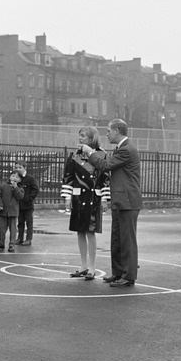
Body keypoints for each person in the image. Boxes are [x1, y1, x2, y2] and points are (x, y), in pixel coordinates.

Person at [81, 118, 142, 288]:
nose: (106, 134)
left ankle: (129, 276)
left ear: (116, 131)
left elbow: (105, 165)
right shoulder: (121, 148)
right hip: (120, 200)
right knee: (117, 239)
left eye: (108, 131)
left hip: (128, 201)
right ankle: (118, 273)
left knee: (127, 240)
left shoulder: (126, 149)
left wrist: (90, 152)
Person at [62, 126, 110, 281]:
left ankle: (92, 267)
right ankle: (83, 266)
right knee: (79, 231)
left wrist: (104, 199)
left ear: (91, 138)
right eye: (79, 135)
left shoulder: (101, 154)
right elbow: (68, 177)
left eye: (83, 136)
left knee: (90, 231)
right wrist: (67, 197)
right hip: (77, 198)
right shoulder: (74, 155)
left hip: (93, 198)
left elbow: (105, 178)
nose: (80, 138)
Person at [0, 171, 24, 252]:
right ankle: (1, 243)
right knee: (1, 229)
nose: (14, 178)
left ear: (20, 180)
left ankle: (12, 244)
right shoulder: (3, 186)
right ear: (9, 177)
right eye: (13, 176)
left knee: (13, 229)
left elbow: (20, 197)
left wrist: (15, 188)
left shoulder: (20, 188)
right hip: (3, 211)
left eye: (17, 177)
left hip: (13, 212)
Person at [13, 161, 39, 246]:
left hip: (28, 205)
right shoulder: (15, 178)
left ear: (25, 168)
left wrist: (29, 198)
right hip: (19, 204)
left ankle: (28, 239)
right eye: (16, 167)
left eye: (20, 167)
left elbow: (35, 189)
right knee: (20, 222)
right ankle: (20, 238)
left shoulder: (30, 178)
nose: (18, 169)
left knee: (29, 222)